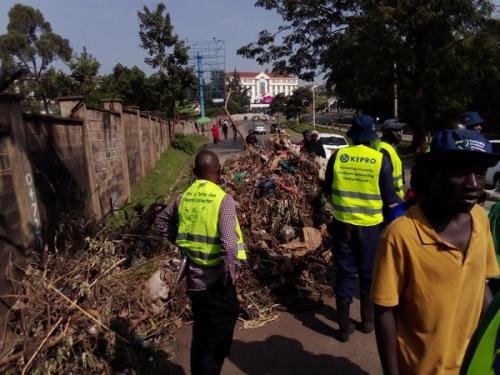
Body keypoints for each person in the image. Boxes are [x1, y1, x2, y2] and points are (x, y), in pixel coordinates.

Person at [371, 129, 499, 375]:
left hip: (471, 365)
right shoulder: (400, 235)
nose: (473, 184)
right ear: (434, 174)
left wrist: (492, 339)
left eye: (480, 173)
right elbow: (385, 310)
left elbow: (482, 283)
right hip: (421, 368)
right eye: (459, 172)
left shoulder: (482, 221)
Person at [155, 150, 247, 375]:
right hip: (217, 285)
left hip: (195, 284)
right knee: (216, 344)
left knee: (201, 334)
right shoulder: (222, 200)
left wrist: (181, 242)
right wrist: (229, 277)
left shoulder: (183, 198)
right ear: (220, 172)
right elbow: (230, 245)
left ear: (195, 172)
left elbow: (161, 221)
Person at [324, 114, 400, 342]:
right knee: (368, 275)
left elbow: (328, 189)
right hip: (370, 227)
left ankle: (344, 328)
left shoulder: (338, 157)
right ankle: (367, 322)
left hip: (342, 224)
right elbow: (391, 201)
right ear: (370, 136)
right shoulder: (379, 159)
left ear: (352, 135)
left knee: (345, 273)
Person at [373, 119, 406, 199]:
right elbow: (384, 180)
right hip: (391, 200)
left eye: (401, 130)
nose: (400, 133)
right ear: (386, 133)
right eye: (396, 131)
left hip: (395, 198)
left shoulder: (390, 147)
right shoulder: (384, 150)